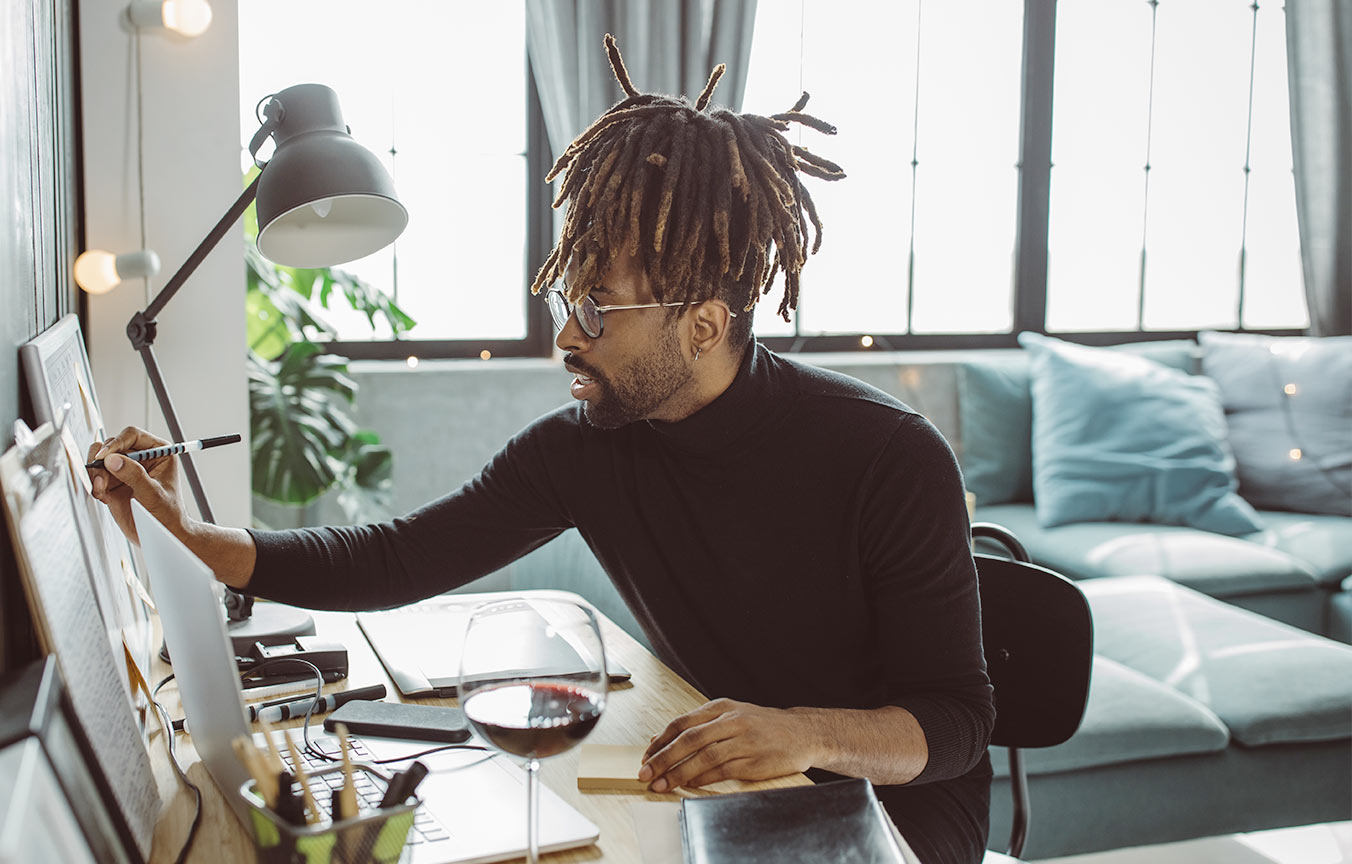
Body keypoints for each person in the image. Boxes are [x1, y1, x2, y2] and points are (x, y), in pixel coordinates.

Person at [91, 36, 993, 864]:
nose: (566, 335)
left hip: (890, 814)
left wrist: (805, 733)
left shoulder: (888, 457)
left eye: (597, 308)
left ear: (705, 324)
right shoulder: (585, 450)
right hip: (718, 778)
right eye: (568, 299)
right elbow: (403, 555)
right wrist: (197, 542)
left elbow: (955, 725)